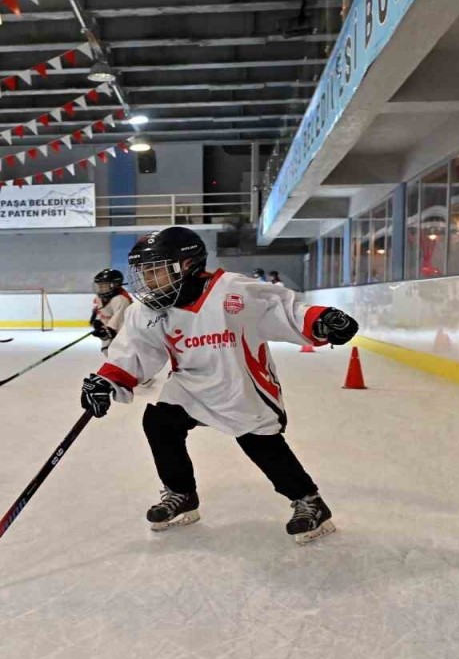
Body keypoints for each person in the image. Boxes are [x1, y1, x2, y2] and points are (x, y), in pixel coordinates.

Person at [78, 226, 359, 544]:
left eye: (155, 270)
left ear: (186, 265)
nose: (148, 280)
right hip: (189, 384)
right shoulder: (149, 310)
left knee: (260, 443)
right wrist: (107, 380)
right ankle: (181, 494)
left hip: (238, 383)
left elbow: (283, 310)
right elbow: (136, 350)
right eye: (143, 271)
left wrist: (320, 321)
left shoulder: (233, 291)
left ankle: (309, 501)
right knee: (159, 422)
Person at [89, 268, 132, 354]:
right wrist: (98, 321)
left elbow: (118, 321)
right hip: (110, 339)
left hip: (123, 339)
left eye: (103, 286)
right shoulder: (100, 297)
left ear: (114, 285)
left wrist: (108, 331)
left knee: (119, 360)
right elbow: (100, 311)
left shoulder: (120, 299)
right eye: (99, 286)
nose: (100, 288)